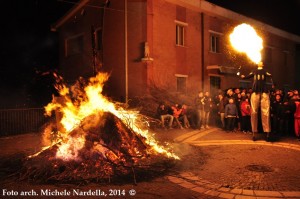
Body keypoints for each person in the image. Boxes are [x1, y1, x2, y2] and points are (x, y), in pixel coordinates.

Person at [241, 61, 273, 141]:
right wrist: (243, 77)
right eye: (259, 62)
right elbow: (249, 76)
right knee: (254, 112)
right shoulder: (254, 70)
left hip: (264, 91)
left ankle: (267, 134)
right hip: (255, 91)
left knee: (265, 112)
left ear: (263, 64)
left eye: (261, 62)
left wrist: (270, 76)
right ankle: (254, 134)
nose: (259, 62)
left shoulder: (264, 71)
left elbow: (269, 75)